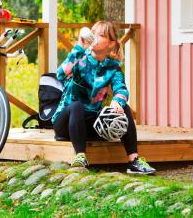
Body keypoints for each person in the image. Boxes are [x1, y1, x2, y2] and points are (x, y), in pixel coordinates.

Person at [52, 21, 156, 174]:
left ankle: (133, 161)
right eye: (93, 34)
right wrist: (79, 47)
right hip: (65, 123)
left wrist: (117, 101)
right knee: (76, 105)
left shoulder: (112, 67)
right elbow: (60, 75)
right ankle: (80, 156)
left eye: (100, 35)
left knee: (124, 108)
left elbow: (121, 89)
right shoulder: (80, 57)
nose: (94, 38)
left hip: (91, 124)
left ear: (111, 44)